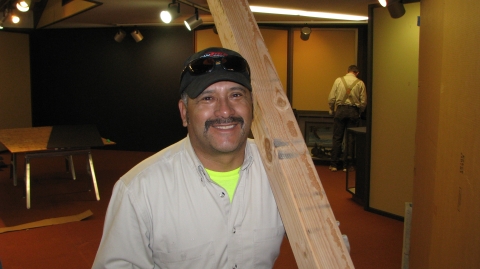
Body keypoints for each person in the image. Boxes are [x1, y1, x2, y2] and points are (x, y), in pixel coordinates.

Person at [92, 47, 285, 269]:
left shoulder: (281, 173)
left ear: (253, 106)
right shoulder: (139, 190)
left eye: (236, 95)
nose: (224, 111)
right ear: (184, 113)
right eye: (208, 98)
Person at [327, 65, 367, 172]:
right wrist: (360, 111)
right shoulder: (360, 83)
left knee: (337, 138)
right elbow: (363, 102)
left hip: (340, 110)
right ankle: (347, 165)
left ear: (347, 71)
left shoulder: (338, 80)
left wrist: (331, 109)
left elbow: (331, 98)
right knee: (350, 139)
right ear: (357, 73)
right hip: (353, 111)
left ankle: (334, 164)